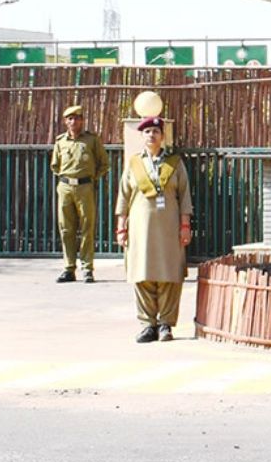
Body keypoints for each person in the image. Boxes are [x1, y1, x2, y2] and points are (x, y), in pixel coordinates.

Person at [115, 116, 193, 343]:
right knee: (142, 274)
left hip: (169, 228)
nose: (151, 135)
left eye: (155, 131)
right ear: (142, 136)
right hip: (140, 229)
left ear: (162, 136)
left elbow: (184, 196)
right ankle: (147, 323)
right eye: (147, 131)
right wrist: (121, 226)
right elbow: (123, 195)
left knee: (170, 274)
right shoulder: (134, 163)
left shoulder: (175, 163)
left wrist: (185, 225)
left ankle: (166, 324)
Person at [50, 105, 109, 284]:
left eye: (77, 118)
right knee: (66, 229)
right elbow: (55, 166)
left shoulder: (91, 140)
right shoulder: (60, 142)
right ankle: (69, 268)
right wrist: (66, 181)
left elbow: (104, 164)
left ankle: (87, 268)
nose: (73, 121)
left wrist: (91, 179)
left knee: (87, 228)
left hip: (85, 187)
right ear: (65, 121)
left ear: (82, 120)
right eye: (70, 118)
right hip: (65, 187)